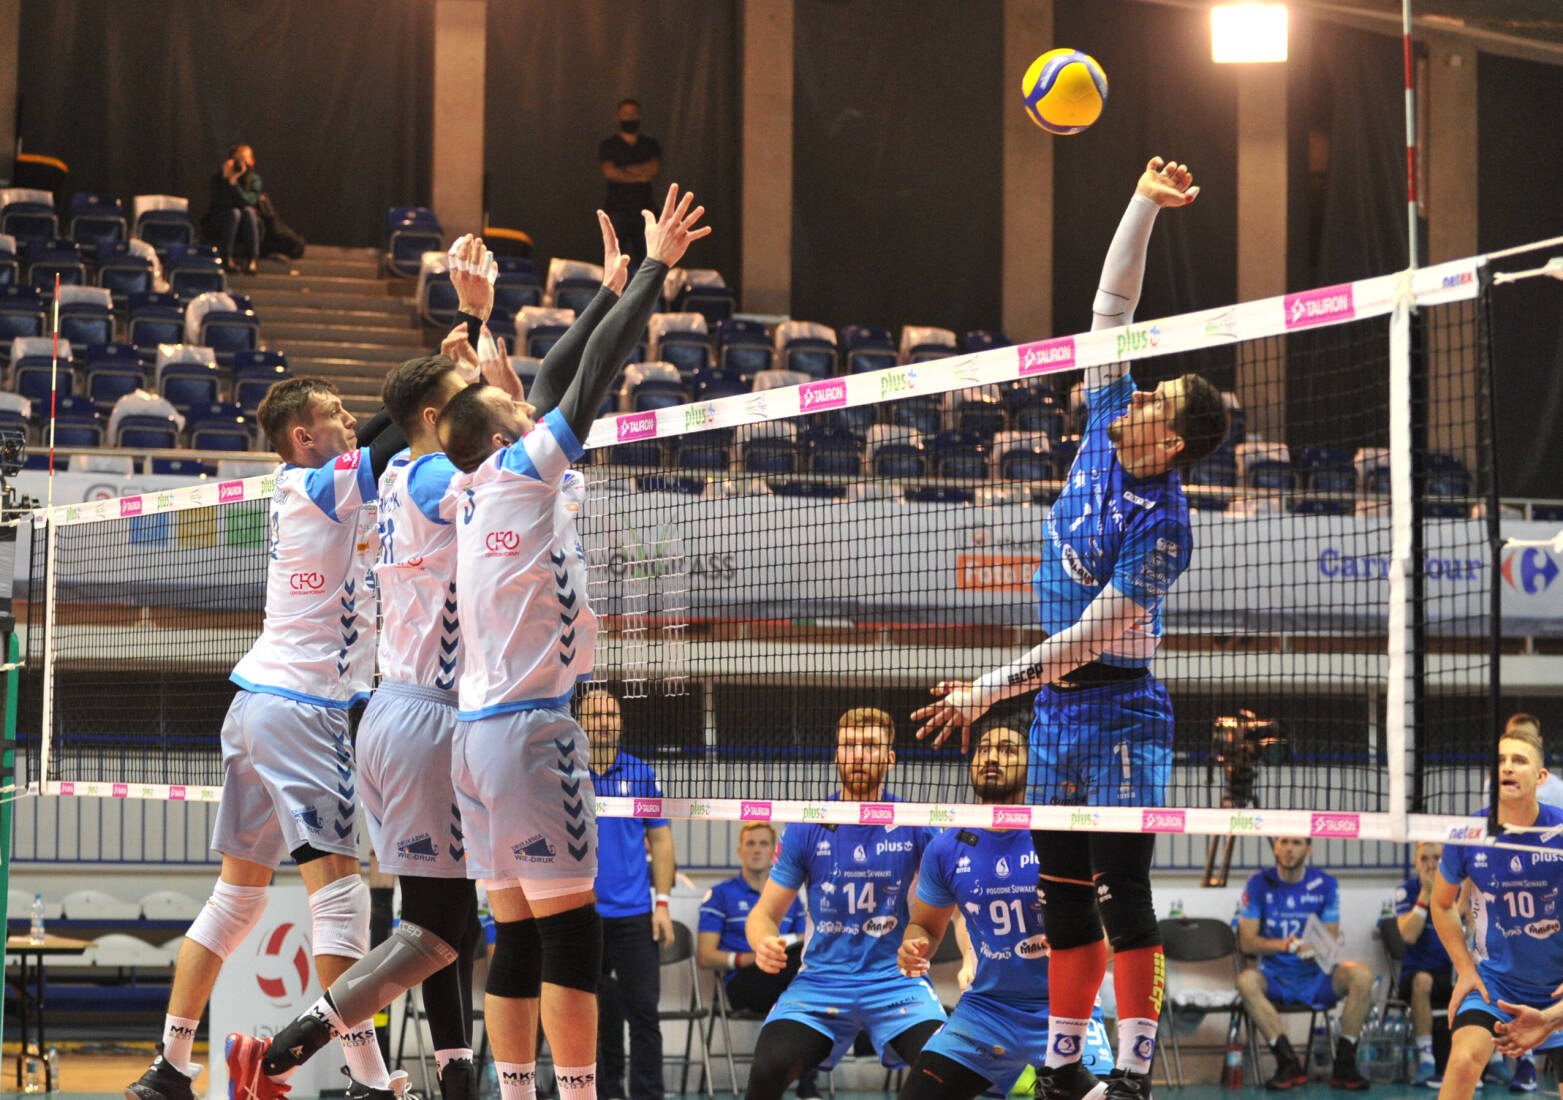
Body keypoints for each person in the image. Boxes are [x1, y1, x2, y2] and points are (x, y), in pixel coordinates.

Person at [913, 157, 1228, 1100]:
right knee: (1060, 895)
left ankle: (1130, 1071)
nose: (1140, 395)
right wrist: (1141, 203)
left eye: (1157, 402)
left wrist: (985, 690)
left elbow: (1090, 638)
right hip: (1053, 711)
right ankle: (1060, 1062)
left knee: (1120, 893)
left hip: (1121, 709)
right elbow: (1109, 308)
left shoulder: (1164, 524)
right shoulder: (1104, 419)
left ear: (1172, 442)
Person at [221, 235, 519, 1100]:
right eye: (337, 420)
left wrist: (464, 346)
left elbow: (406, 419)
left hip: (382, 709)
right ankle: (309, 1049)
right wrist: (475, 351)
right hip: (371, 709)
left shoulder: (383, 482)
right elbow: (470, 441)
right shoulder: (367, 481)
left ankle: (440, 1079)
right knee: (412, 920)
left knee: (443, 921)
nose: (352, 426)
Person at [433, 185, 708, 1100]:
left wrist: (604, 290)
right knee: (571, 936)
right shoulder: (521, 471)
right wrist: (656, 270)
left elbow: (551, 379)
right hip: (530, 732)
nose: (528, 400)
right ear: (503, 432)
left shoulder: (472, 488)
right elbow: (582, 382)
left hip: (474, 739)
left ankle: (519, 1092)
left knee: (516, 935)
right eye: (512, 406)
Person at [125, 373, 409, 1100]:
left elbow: (386, 428)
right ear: (303, 437)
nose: (350, 419)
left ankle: (169, 1066)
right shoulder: (320, 483)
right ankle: (370, 1081)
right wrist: (441, 377)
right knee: (341, 901)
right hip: (302, 710)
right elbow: (395, 433)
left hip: (253, 704)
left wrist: (427, 385)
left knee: (236, 899)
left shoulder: (301, 484)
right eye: (334, 413)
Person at [897, 698, 1113, 1100]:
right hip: (985, 1012)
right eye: (984, 750)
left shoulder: (1062, 836)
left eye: (1008, 750)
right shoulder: (946, 846)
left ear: (1031, 765)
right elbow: (925, 924)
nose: (992, 757)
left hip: (1064, 1011)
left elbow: (1113, 933)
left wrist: (1077, 944)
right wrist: (914, 944)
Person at [742, 707, 948, 1100]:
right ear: (836, 754)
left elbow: (953, 910)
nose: (858, 754)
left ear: (890, 757)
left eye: (870, 745)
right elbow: (764, 914)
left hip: (896, 983)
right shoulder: (807, 825)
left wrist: (964, 957)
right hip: (821, 982)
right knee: (768, 1068)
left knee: (943, 1072)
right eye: (849, 745)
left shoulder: (916, 824)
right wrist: (763, 941)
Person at [1431, 718, 1563, 1100]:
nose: (1507, 767)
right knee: (1462, 1062)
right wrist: (1465, 969)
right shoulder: (1468, 834)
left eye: (1519, 760)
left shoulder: (1559, 832)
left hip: (1558, 988)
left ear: (1540, 777)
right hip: (1495, 984)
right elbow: (1441, 903)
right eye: (1501, 761)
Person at [583, 687, 676, 1100]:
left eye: (611, 715)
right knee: (589, 1015)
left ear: (621, 723)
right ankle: (602, 1093)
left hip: (635, 915)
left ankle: (648, 1095)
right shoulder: (565, 772)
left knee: (644, 1014)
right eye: (595, 715)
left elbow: (662, 840)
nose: (604, 723)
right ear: (580, 723)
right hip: (581, 916)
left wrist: (662, 903)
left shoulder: (640, 773)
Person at [1235, 836, 1375, 1090]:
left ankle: (1345, 1064)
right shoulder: (1257, 884)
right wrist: (1285, 945)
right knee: (1246, 981)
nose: (1289, 848)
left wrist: (1314, 948)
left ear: (1308, 849)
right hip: (1275, 976)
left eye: (1297, 843)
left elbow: (1330, 938)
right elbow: (1247, 943)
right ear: (1276, 847)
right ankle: (1288, 1063)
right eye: (1284, 842)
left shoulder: (1326, 884)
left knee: (1362, 975)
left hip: (1316, 977)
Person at [696, 822, 818, 1098]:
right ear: (740, 850)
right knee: (804, 983)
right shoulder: (720, 894)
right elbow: (705, 955)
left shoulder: (790, 899)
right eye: (750, 843)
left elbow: (805, 946)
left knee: (809, 976)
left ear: (774, 851)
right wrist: (755, 956)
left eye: (763, 844)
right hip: (743, 982)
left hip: (784, 976)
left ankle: (807, 1084)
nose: (756, 850)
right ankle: (808, 1086)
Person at [1395, 842, 1457, 1088]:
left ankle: (1493, 1063)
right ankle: (1426, 1058)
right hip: (1417, 973)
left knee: (1486, 978)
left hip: (1451, 972)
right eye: (1424, 859)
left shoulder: (1456, 888)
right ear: (1416, 862)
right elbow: (1409, 935)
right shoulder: (1406, 890)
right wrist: (1425, 895)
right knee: (1422, 981)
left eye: (1436, 858)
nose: (1431, 865)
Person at [599, 99, 661, 271]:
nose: (630, 117)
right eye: (626, 114)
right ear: (618, 117)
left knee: (649, 260)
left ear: (639, 116)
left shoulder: (650, 144)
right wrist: (640, 176)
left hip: (645, 211)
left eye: (633, 114)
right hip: (617, 210)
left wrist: (624, 170)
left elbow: (653, 169)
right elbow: (610, 173)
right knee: (612, 260)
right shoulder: (609, 145)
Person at [209, 143, 263, 274]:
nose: (241, 164)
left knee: (248, 211)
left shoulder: (253, 179)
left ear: (251, 161)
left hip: (248, 223)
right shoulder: (219, 178)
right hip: (224, 220)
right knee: (234, 213)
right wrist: (226, 180)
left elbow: (248, 201)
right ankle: (227, 257)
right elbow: (219, 203)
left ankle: (253, 258)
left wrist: (234, 184)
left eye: (244, 160)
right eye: (238, 160)